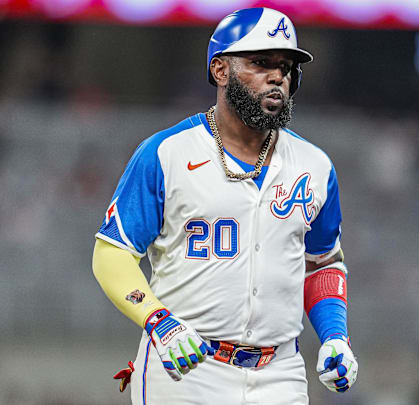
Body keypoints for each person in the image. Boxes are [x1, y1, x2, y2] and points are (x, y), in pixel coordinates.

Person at [91, 7, 358, 404]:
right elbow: (111, 255)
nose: (277, 77)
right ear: (220, 70)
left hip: (280, 372)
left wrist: (336, 335)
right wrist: (157, 321)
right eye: (261, 62)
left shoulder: (315, 166)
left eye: (286, 67)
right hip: (186, 368)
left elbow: (322, 263)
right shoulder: (167, 153)